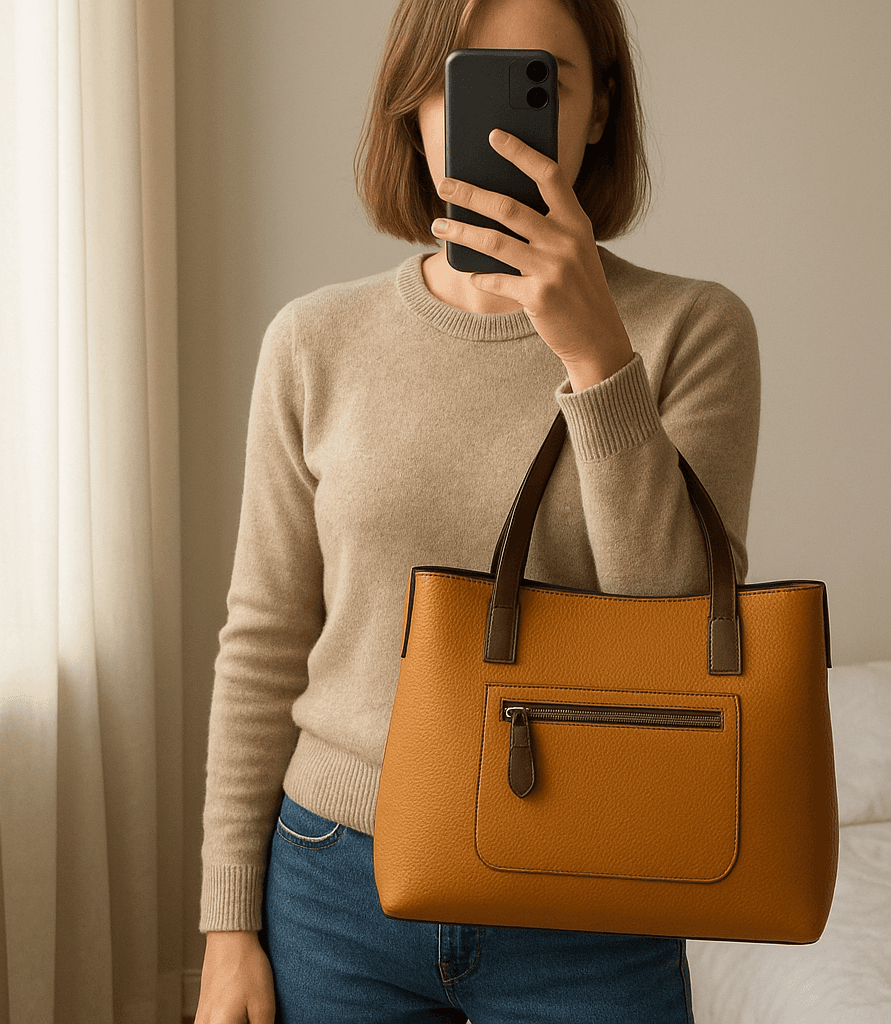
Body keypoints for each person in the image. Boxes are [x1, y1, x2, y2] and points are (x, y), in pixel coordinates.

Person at [194, 0, 760, 1020]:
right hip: (335, 883)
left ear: (598, 111)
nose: (497, 128)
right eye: (463, 85)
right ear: (412, 107)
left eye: (539, 84)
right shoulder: (313, 341)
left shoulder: (694, 329)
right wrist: (227, 926)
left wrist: (597, 357)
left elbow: (676, 630)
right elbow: (265, 636)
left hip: (593, 895)